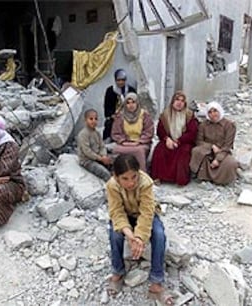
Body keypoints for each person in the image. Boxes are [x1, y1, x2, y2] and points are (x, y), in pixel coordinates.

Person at [106, 154, 172, 305]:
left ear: (138, 173)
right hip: (125, 215)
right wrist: (130, 235)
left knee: (159, 235)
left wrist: (140, 238)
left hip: (143, 214)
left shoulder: (145, 182)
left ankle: (156, 281)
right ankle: (118, 271)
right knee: (115, 234)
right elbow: (117, 212)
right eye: (125, 178)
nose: (131, 183)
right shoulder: (111, 186)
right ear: (116, 177)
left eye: (134, 177)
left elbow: (147, 213)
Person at [151, 91, 198, 186]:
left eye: (182, 101)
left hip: (184, 142)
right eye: (177, 100)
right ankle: (158, 177)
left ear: (185, 103)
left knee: (183, 153)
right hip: (169, 140)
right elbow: (160, 130)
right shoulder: (165, 114)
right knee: (159, 150)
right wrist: (166, 139)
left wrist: (179, 141)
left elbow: (192, 133)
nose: (179, 103)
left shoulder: (189, 115)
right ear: (172, 101)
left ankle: (180, 179)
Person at [189, 102, 238, 185]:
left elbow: (228, 146)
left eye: (215, 111)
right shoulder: (203, 125)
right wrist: (211, 146)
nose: (213, 114)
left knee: (231, 163)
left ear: (219, 111)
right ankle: (203, 177)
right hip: (207, 150)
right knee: (197, 151)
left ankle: (221, 180)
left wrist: (218, 159)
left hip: (223, 151)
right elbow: (199, 141)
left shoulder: (229, 125)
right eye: (210, 112)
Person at [111, 93, 154, 172]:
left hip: (141, 143)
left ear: (137, 103)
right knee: (116, 150)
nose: (131, 105)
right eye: (128, 103)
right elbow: (116, 133)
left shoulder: (144, 115)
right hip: (125, 143)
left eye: (133, 102)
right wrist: (123, 141)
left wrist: (139, 141)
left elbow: (149, 132)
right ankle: (118, 176)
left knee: (139, 151)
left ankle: (142, 175)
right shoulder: (120, 116)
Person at [77, 109, 113, 181]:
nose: (94, 121)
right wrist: (100, 159)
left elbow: (102, 146)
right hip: (87, 161)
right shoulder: (83, 134)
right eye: (91, 119)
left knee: (114, 164)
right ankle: (111, 188)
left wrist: (104, 156)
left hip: (99, 157)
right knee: (105, 173)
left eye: (96, 119)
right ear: (85, 120)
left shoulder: (97, 133)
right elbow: (87, 151)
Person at [103, 68, 136, 140]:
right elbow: (107, 107)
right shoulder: (110, 91)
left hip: (128, 115)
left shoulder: (131, 90)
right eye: (118, 80)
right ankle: (108, 139)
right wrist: (113, 115)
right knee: (109, 123)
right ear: (115, 80)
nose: (121, 82)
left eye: (123, 80)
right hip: (115, 115)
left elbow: (136, 106)